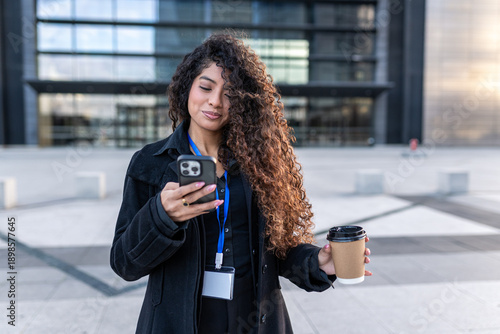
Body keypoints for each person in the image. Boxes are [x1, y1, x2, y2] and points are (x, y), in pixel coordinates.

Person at [110, 32, 371, 334]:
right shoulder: (150, 163)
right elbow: (124, 263)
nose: (215, 102)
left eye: (230, 94)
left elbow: (279, 251)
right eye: (205, 87)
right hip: (179, 323)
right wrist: (162, 217)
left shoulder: (260, 163)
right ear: (187, 87)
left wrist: (319, 262)